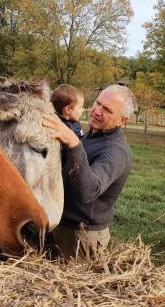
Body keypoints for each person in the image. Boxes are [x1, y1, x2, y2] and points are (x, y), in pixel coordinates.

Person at [43, 85, 136, 260]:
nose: (96, 111)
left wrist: (73, 142)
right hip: (63, 226)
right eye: (98, 103)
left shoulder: (115, 151)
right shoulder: (94, 135)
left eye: (107, 109)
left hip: (81, 237)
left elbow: (88, 191)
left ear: (123, 120)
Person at [51, 84, 84, 166]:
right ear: (68, 109)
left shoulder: (74, 122)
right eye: (80, 107)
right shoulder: (63, 128)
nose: (82, 110)